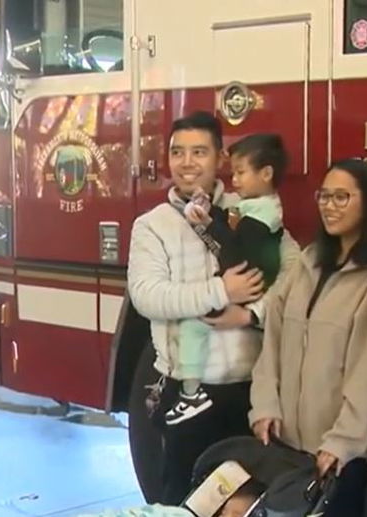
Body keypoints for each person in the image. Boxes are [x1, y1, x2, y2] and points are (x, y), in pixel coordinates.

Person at [127, 111, 300, 504]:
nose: (187, 162)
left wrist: (251, 314)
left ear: (220, 158)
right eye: (178, 152)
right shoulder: (152, 225)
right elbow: (147, 295)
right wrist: (221, 290)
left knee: (247, 502)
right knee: (182, 501)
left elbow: (295, 274)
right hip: (188, 393)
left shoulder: (252, 209)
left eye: (199, 151)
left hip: (251, 393)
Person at [248, 159, 367, 517]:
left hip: (338, 453)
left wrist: (343, 440)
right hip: (286, 443)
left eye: (342, 197)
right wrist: (264, 404)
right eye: (324, 196)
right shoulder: (309, 259)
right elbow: (274, 341)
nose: (330, 206)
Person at [168, 133, 291, 426]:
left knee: (193, 323)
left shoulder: (260, 219)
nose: (234, 180)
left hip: (247, 288)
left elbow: (235, 250)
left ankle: (191, 392)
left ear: (266, 173)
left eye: (240, 172)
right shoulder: (260, 206)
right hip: (253, 287)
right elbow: (233, 222)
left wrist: (209, 225)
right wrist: (211, 214)